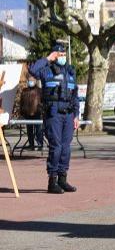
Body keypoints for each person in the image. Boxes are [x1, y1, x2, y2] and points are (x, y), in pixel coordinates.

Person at [29, 42, 80, 194]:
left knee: (66, 148)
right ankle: (52, 182)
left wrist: (77, 115)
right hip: (53, 113)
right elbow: (32, 70)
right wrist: (48, 58)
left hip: (69, 114)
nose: (62, 57)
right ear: (54, 55)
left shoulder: (70, 72)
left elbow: (75, 96)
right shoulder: (45, 71)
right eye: (59, 54)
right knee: (56, 147)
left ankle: (63, 179)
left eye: (64, 54)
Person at [19, 74, 43, 151]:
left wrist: (42, 110)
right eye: (30, 80)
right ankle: (31, 145)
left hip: (37, 113)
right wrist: (21, 112)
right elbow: (21, 103)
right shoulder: (24, 91)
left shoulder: (39, 91)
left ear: (35, 81)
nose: (31, 81)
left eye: (32, 80)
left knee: (38, 130)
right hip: (27, 113)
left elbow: (43, 102)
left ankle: (40, 144)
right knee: (29, 131)